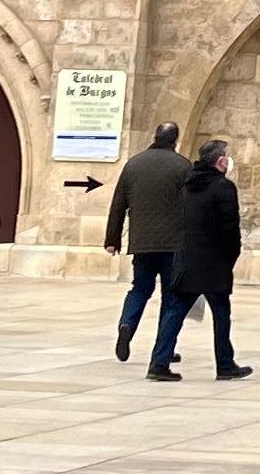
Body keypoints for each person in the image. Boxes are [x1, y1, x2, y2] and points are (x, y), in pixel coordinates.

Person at [148, 139, 252, 379]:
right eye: (227, 156)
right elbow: (229, 227)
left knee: (175, 311)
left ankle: (159, 362)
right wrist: (231, 255)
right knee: (221, 314)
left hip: (188, 258)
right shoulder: (223, 188)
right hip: (214, 260)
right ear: (220, 161)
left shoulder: (188, 186)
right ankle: (225, 364)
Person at [105, 120, 190, 362]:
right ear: (175, 140)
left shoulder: (134, 164)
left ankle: (126, 325)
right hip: (173, 245)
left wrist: (112, 239)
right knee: (171, 296)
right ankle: (162, 348)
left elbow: (118, 203)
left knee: (140, 288)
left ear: (155, 136)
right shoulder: (182, 166)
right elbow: (190, 206)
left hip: (142, 242)